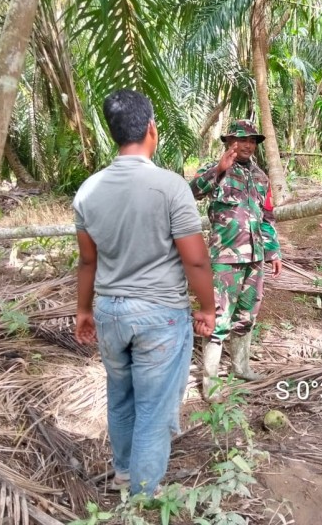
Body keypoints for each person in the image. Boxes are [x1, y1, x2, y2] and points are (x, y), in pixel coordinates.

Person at [73, 90, 216, 497]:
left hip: (110, 313)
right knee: (153, 410)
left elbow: (88, 261)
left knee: (120, 397)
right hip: (159, 316)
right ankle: (141, 496)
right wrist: (208, 307)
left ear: (113, 133)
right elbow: (195, 261)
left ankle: (123, 473)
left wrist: (83, 310)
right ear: (152, 128)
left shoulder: (88, 191)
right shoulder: (170, 187)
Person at [189, 120, 282, 401]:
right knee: (218, 317)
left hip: (255, 257)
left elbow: (267, 216)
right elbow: (191, 191)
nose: (248, 145)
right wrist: (219, 169)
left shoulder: (261, 176)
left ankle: (241, 367)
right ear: (229, 141)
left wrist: (273, 251)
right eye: (242, 139)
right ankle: (211, 382)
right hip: (225, 258)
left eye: (252, 141)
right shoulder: (216, 169)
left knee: (247, 314)